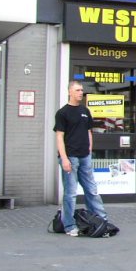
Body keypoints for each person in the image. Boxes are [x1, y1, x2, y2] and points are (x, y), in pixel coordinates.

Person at [54, 80, 108, 236]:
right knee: (70, 193)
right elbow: (59, 137)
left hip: (85, 157)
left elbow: (89, 131)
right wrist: (64, 159)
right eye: (77, 90)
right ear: (70, 91)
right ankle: (69, 226)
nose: (81, 93)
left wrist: (90, 150)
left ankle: (101, 220)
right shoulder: (62, 113)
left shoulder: (85, 111)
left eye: (82, 90)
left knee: (92, 190)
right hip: (70, 157)